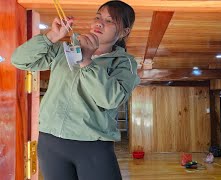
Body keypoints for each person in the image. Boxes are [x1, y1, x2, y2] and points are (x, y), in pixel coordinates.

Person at [11, 1, 140, 180]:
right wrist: (51, 37)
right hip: (50, 143)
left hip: (93, 145)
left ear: (124, 32)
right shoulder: (63, 50)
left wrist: (86, 61)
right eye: (98, 17)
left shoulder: (125, 63)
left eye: (110, 20)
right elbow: (19, 60)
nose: (99, 23)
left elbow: (109, 99)